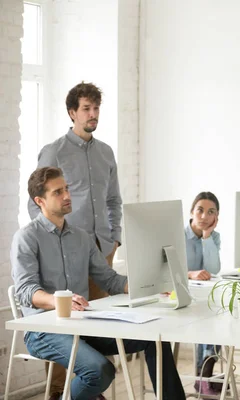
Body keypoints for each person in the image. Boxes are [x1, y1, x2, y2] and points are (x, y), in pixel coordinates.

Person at [13, 167, 185, 400]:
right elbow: (25, 290)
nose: (67, 196)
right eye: (58, 192)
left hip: (82, 325)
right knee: (99, 370)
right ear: (39, 201)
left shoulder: (81, 237)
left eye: (67, 189)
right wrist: (58, 301)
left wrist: (151, 285)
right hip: (43, 331)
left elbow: (109, 279)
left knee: (155, 339)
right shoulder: (27, 237)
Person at [27, 82, 124, 397]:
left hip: (100, 248)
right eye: (86, 109)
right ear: (72, 112)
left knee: (97, 325)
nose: (93, 114)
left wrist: (114, 238)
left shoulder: (106, 152)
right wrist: (49, 242)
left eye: (96, 108)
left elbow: (114, 201)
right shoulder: (54, 151)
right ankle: (57, 392)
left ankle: (90, 390)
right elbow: (35, 202)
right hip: (62, 247)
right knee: (63, 325)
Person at [185, 192, 222, 394]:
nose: (204, 217)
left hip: (203, 297)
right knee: (208, 316)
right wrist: (190, 273)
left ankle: (206, 371)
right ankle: (204, 375)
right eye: (200, 210)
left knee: (222, 313)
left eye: (211, 212)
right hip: (181, 295)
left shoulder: (214, 237)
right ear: (191, 212)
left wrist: (207, 238)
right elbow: (164, 269)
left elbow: (213, 269)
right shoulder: (178, 234)